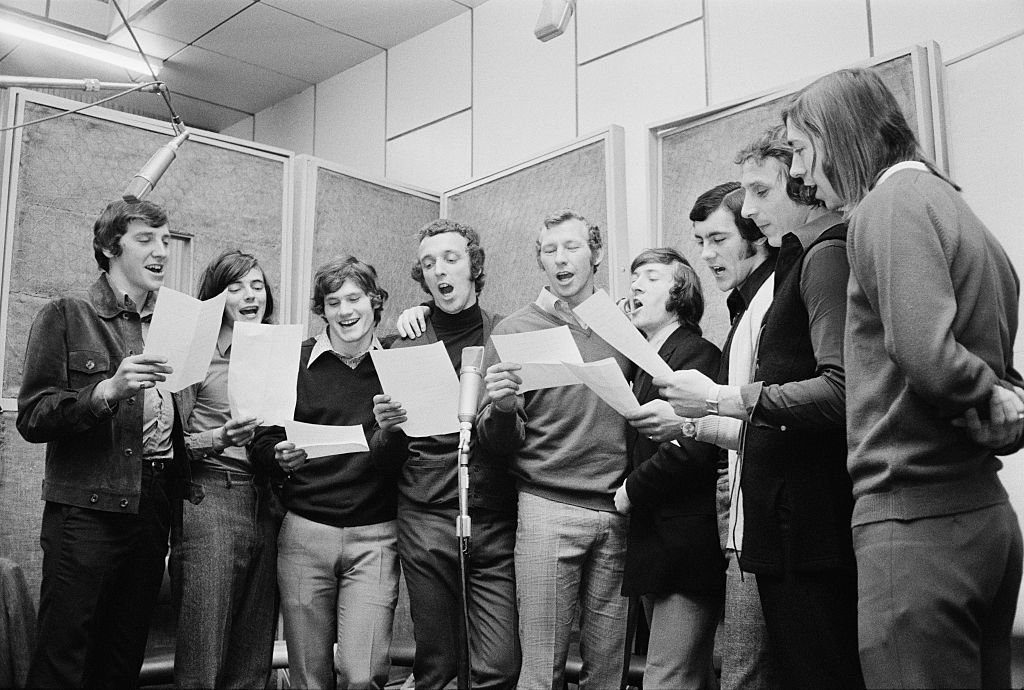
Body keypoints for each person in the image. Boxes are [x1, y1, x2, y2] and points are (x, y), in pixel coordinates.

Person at [784, 66, 1024, 689]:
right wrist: (1001, 398)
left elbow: (928, 354)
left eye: (803, 153)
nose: (802, 177)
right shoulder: (959, 211)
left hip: (917, 528)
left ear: (839, 138)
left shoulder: (888, 206)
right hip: (982, 521)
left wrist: (984, 392)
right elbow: (1002, 382)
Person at [655, 125, 864, 688]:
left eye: (760, 192)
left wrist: (718, 400)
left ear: (801, 181)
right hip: (782, 523)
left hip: (807, 523)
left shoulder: (825, 256)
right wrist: (703, 422)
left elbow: (840, 393)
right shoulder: (801, 262)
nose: (749, 209)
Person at [18, 199, 181, 688]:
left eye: (167, 241)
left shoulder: (171, 325)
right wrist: (106, 389)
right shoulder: (67, 314)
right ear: (111, 247)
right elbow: (33, 416)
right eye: (147, 239)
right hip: (84, 514)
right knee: (63, 659)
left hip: (151, 508)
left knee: (123, 658)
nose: (162, 252)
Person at [477, 209, 632, 690]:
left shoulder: (625, 326)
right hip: (547, 506)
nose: (561, 259)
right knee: (541, 672)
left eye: (572, 247)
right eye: (550, 250)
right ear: (540, 262)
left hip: (621, 509)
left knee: (608, 672)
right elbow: (495, 441)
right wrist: (501, 408)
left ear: (597, 254)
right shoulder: (514, 330)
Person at [372, 219, 520, 689]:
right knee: (436, 664)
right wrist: (387, 429)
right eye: (429, 263)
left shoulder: (504, 335)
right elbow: (385, 458)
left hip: (491, 516)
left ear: (474, 265)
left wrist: (502, 410)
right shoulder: (406, 340)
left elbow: (509, 443)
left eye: (451, 259)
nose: (440, 271)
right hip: (424, 516)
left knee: (497, 665)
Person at [250, 257, 402, 689]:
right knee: (308, 677)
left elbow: (403, 456)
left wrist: (392, 430)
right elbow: (261, 439)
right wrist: (277, 455)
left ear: (375, 302)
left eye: (354, 298)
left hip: (375, 534)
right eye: (332, 302)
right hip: (304, 533)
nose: (344, 310)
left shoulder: (396, 362)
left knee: (363, 672)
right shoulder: (294, 361)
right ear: (322, 309)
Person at [613, 248, 725, 689]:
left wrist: (631, 491)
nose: (636, 284)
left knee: (666, 678)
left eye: (652, 277)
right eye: (634, 276)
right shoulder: (645, 363)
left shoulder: (695, 352)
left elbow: (691, 445)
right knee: (689, 676)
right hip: (657, 545)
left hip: (684, 547)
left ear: (680, 293)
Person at [170, 250, 278, 688]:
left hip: (267, 502)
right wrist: (220, 438)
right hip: (209, 494)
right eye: (235, 288)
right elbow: (166, 445)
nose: (250, 296)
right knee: (203, 650)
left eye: (257, 286)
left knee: (253, 656)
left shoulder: (280, 352)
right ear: (217, 297)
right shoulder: (193, 351)